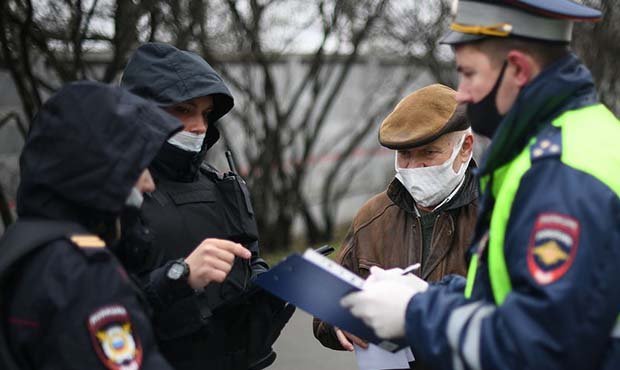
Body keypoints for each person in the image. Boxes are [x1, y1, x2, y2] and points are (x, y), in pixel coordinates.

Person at [341, 1, 620, 369]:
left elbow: (544, 344)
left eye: (469, 74)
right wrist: (430, 294)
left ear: (518, 68)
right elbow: (513, 293)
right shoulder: (589, 133)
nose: (463, 94)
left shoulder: (558, 173)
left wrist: (416, 313)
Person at [120, 42, 294, 370]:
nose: (199, 126)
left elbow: (249, 260)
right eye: (184, 110)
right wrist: (174, 278)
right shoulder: (115, 193)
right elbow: (93, 304)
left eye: (205, 113)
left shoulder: (219, 184)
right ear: (142, 110)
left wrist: (264, 293)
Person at [0, 81, 182, 369]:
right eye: (136, 167)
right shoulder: (83, 275)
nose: (149, 182)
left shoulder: (23, 246)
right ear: (99, 171)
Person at [313, 84, 477, 362]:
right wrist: (337, 321)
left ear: (465, 148)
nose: (414, 169)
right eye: (405, 155)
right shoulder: (373, 216)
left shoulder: (499, 214)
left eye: (429, 153)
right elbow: (329, 309)